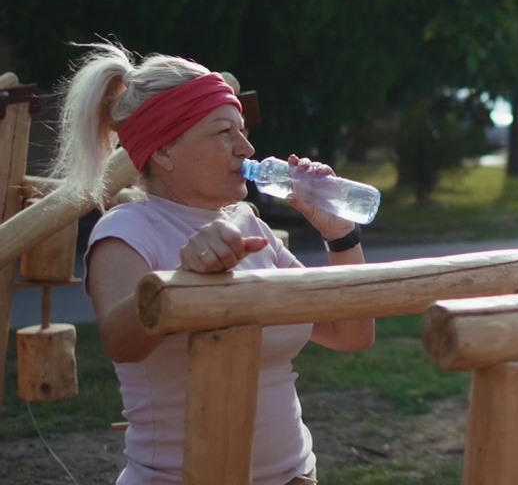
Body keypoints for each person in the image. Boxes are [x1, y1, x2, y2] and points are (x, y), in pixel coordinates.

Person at [51, 42, 376, 485]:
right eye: (225, 132)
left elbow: (351, 333)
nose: (246, 147)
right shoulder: (124, 232)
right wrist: (183, 281)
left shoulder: (249, 225)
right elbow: (120, 343)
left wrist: (339, 234)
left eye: (241, 131)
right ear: (164, 151)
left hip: (296, 476)